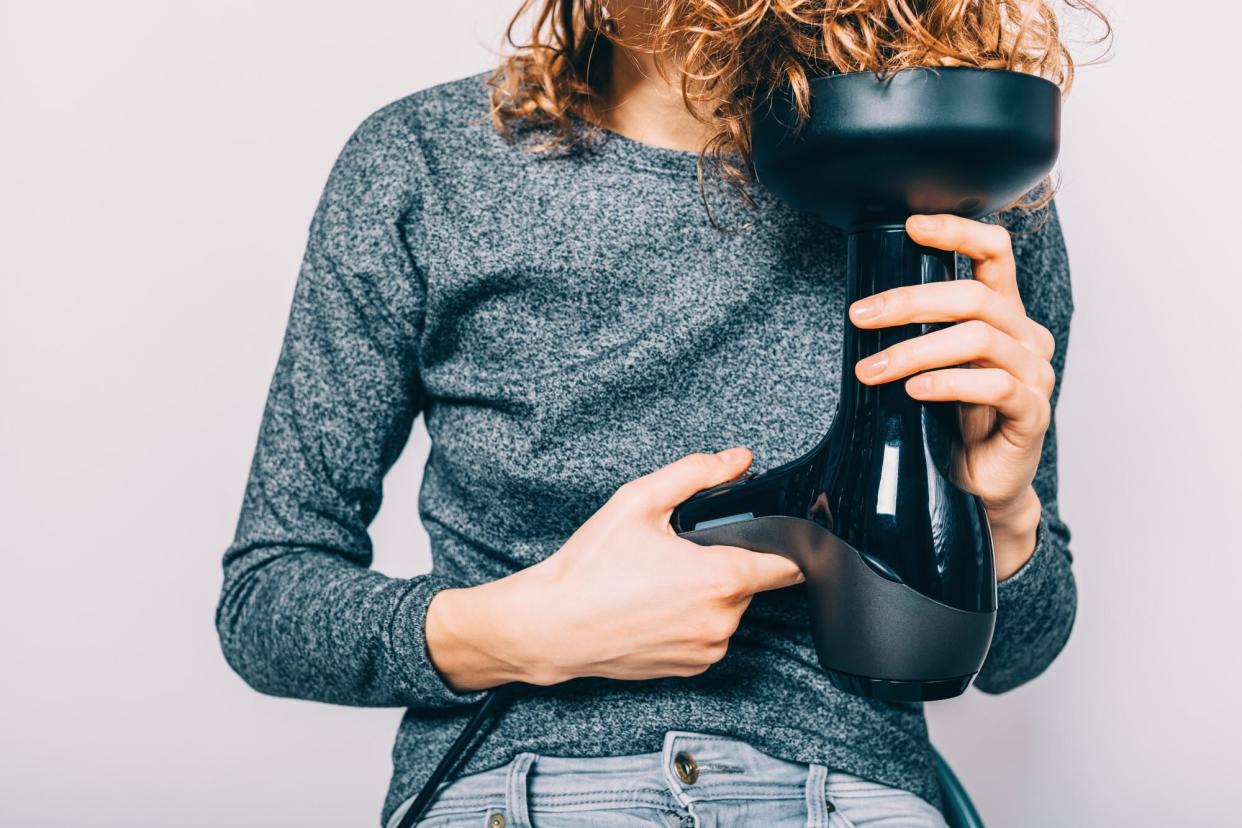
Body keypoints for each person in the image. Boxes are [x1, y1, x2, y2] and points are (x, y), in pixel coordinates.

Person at [217, 2, 1105, 825]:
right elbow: (267, 598)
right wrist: (523, 631)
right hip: (521, 784)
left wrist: (1003, 513)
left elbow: (1023, 651)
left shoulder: (948, 168)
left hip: (848, 793)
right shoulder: (426, 161)